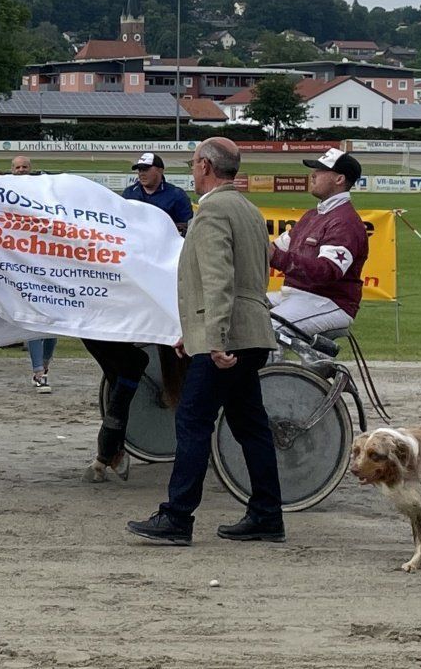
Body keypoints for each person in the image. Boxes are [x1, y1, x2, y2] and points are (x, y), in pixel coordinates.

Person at [129, 137, 283, 545]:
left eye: (194, 164)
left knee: (193, 421)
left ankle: (177, 517)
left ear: (205, 167)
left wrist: (211, 338)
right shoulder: (249, 210)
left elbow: (219, 280)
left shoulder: (213, 211)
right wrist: (194, 332)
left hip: (226, 338)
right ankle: (268, 513)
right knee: (251, 427)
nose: (192, 171)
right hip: (250, 331)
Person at [82, 152, 197, 475]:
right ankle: (115, 438)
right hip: (130, 268)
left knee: (128, 363)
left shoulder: (175, 197)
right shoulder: (129, 195)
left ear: (159, 171)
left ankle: (113, 442)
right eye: (138, 170)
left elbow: (183, 233)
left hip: (159, 270)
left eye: (146, 169)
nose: (141, 174)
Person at [268, 147, 369, 341]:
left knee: (267, 329)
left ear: (339, 179)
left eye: (321, 170)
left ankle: (274, 372)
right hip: (297, 296)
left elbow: (328, 271)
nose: (313, 175)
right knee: (243, 310)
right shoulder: (313, 215)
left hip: (330, 302)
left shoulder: (345, 222)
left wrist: (275, 256)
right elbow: (276, 248)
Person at [9, 154, 58, 392]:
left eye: (25, 167)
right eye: (17, 167)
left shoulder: (42, 193)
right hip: (20, 265)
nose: (21, 170)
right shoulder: (4, 192)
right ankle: (38, 371)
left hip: (46, 262)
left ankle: (44, 365)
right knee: (33, 317)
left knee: (52, 322)